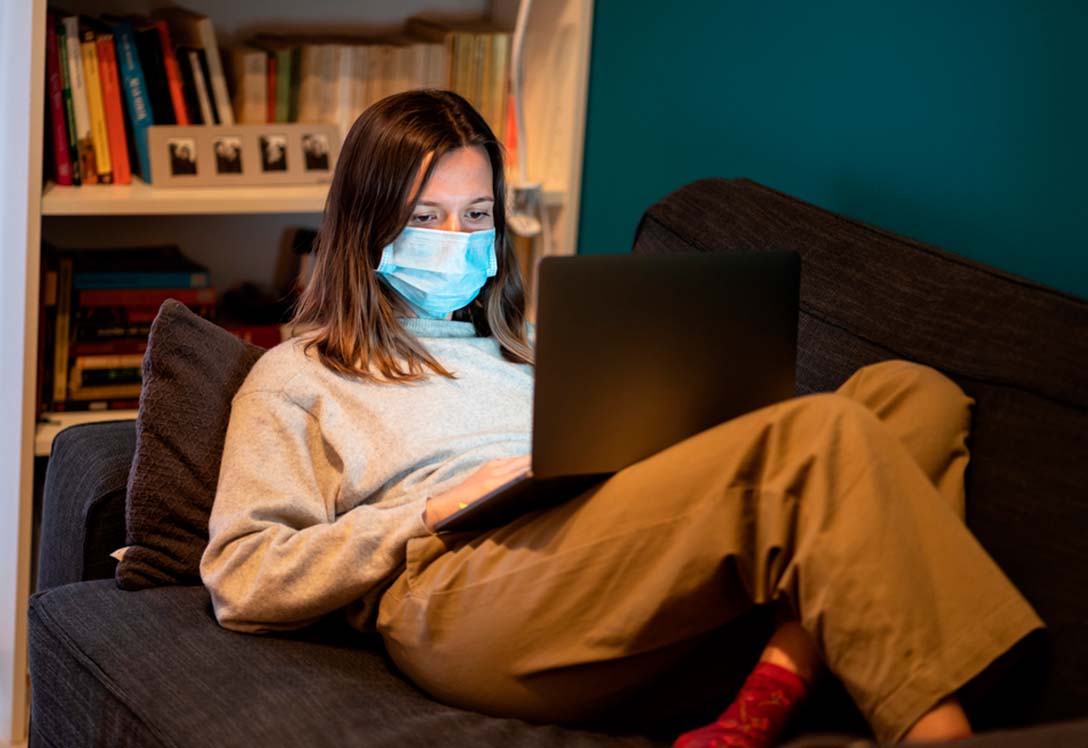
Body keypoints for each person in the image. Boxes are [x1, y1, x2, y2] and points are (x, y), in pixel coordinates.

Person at [200, 90, 1043, 747]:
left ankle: (771, 686)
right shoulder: (299, 375)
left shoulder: (533, 348)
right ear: (364, 223)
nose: (455, 238)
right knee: (817, 438)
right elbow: (241, 574)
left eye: (477, 215)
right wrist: (424, 512)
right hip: (461, 588)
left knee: (909, 392)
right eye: (424, 218)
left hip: (603, 550)